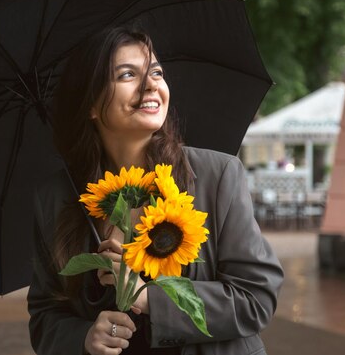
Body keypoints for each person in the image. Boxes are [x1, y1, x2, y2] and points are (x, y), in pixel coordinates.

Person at [27, 26, 284, 355]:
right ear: (90, 104)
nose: (151, 86)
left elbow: (256, 298)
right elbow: (45, 314)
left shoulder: (215, 176)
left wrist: (149, 299)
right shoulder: (58, 196)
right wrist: (84, 337)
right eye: (127, 75)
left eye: (157, 72)